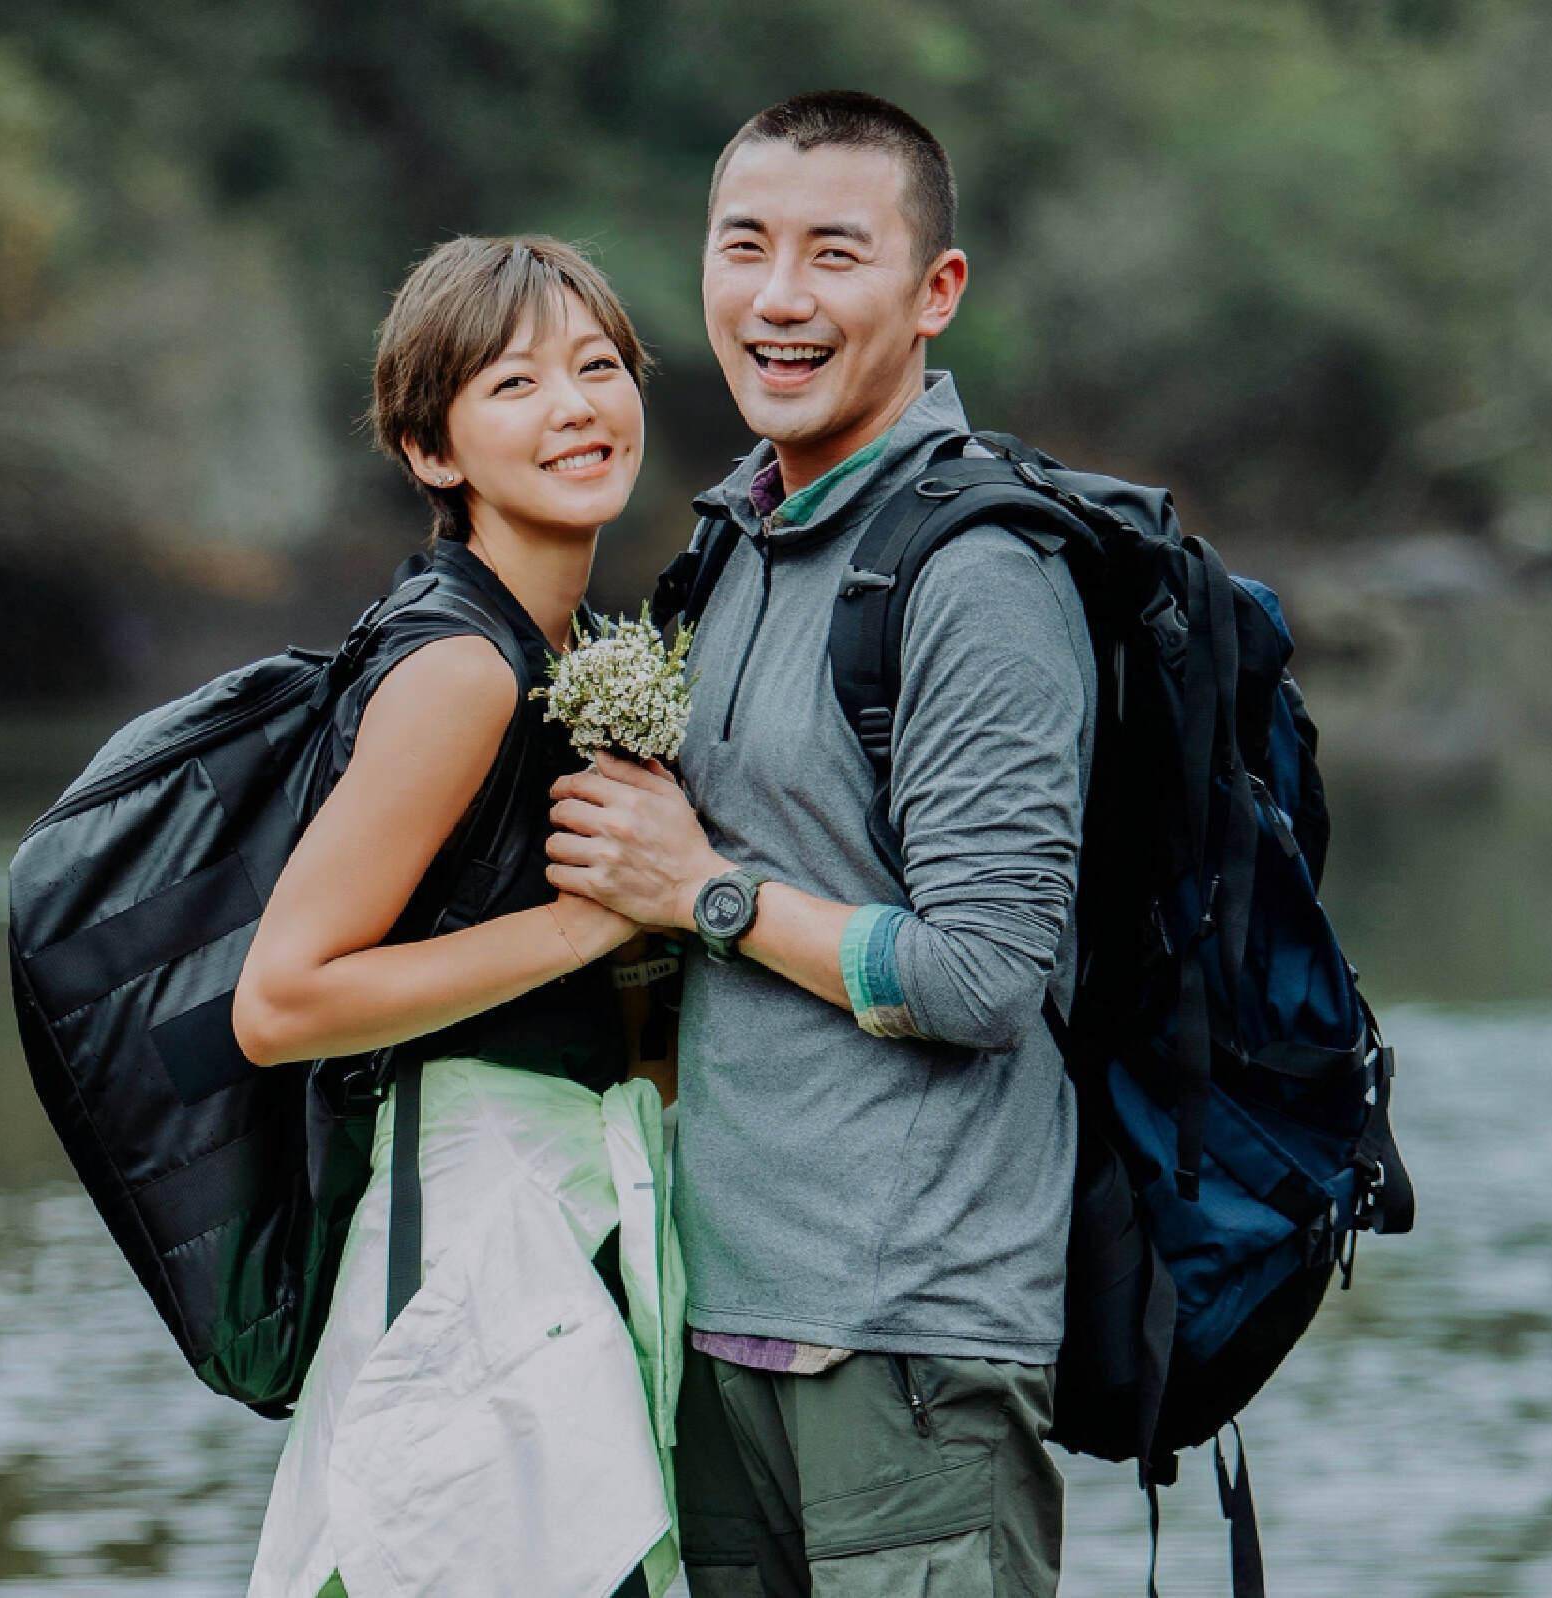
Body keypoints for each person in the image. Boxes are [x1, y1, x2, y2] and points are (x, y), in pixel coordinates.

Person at [547, 92, 1095, 1595]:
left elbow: (986, 971)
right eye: (745, 247)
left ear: (936, 293)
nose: (779, 298)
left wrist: (705, 892)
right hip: (719, 1330)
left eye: (834, 253)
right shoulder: (737, 545)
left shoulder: (977, 572)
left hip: (907, 1351)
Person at [234, 235, 684, 1598]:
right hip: (471, 1221)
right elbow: (282, 1000)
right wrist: (583, 927)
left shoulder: (563, 646)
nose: (576, 407)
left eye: (599, 367)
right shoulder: (461, 668)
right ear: (435, 450)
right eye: (516, 384)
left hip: (561, 1206)